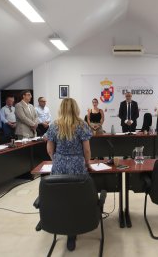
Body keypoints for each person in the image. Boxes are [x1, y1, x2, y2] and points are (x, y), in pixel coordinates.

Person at [45, 98, 92, 252]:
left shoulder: (54, 125)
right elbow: (86, 150)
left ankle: (58, 222)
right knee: (75, 198)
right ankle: (73, 230)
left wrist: (57, 160)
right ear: (75, 108)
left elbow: (50, 149)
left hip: (58, 165)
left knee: (60, 197)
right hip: (77, 165)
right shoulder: (82, 124)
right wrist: (88, 163)